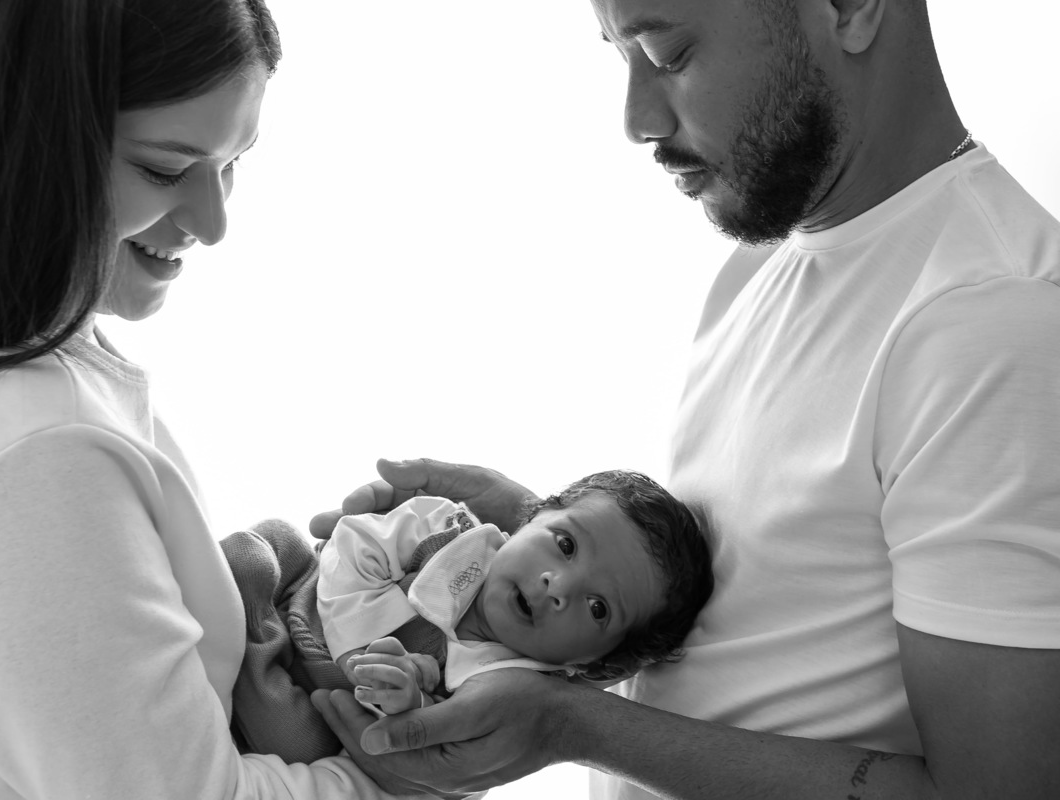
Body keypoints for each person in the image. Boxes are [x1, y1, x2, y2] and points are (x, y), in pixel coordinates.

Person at [307, 1, 1060, 799]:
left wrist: (570, 725)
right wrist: (545, 531)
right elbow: (759, 616)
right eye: (618, 56)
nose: (635, 118)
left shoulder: (992, 325)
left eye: (667, 53)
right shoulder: (761, 264)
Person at [0, 2, 420, 798]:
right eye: (165, 169)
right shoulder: (26, 448)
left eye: (234, 162)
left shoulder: (23, 392)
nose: (214, 221)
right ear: (25, 137)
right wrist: (420, 771)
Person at [221, 470, 712, 763]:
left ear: (595, 663)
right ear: (532, 517)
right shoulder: (452, 532)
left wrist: (402, 692)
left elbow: (425, 724)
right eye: (564, 545)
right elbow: (357, 540)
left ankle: (239, 669)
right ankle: (230, 634)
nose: (557, 586)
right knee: (262, 547)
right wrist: (357, 644)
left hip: (313, 698)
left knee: (298, 742)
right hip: (301, 596)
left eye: (598, 607)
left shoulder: (507, 690)